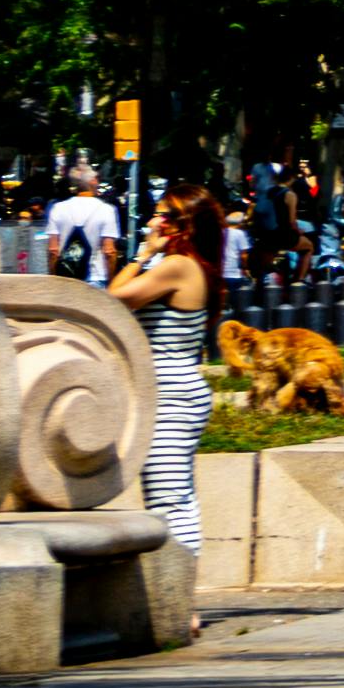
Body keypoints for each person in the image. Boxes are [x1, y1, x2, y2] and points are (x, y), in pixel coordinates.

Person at [115, 184, 219, 556]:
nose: (151, 221)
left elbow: (115, 298)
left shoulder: (178, 266)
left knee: (168, 501)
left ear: (180, 224)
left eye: (160, 214)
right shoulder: (181, 265)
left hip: (172, 395)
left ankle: (180, 585)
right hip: (171, 391)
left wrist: (142, 255)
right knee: (173, 495)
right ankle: (179, 582)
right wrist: (147, 255)